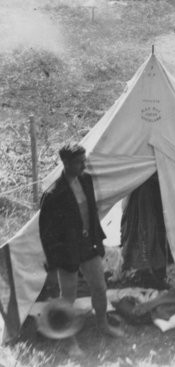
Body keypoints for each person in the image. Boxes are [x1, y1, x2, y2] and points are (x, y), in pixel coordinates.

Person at [39, 144, 125, 356]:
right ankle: (69, 341)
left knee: (100, 287)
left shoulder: (86, 180)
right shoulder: (53, 194)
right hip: (67, 251)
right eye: (79, 162)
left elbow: (92, 214)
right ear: (66, 163)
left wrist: (98, 241)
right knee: (67, 298)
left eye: (84, 160)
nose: (84, 165)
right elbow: (47, 234)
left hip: (88, 246)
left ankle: (103, 324)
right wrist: (53, 265)